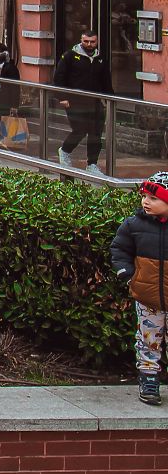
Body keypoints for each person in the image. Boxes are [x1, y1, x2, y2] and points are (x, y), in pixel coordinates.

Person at [110, 172, 168, 407]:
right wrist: (128, 276)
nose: (145, 202)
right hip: (147, 297)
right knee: (148, 340)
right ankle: (149, 380)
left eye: (153, 198)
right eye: (144, 196)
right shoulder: (134, 224)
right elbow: (120, 249)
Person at [56, 32, 113, 173]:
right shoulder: (70, 56)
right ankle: (65, 151)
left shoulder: (100, 58)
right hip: (74, 101)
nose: (89, 44)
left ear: (97, 42)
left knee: (96, 134)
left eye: (92, 42)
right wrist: (62, 96)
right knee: (79, 130)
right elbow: (59, 77)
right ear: (81, 40)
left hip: (94, 102)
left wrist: (110, 99)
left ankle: (92, 164)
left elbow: (106, 79)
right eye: (86, 41)